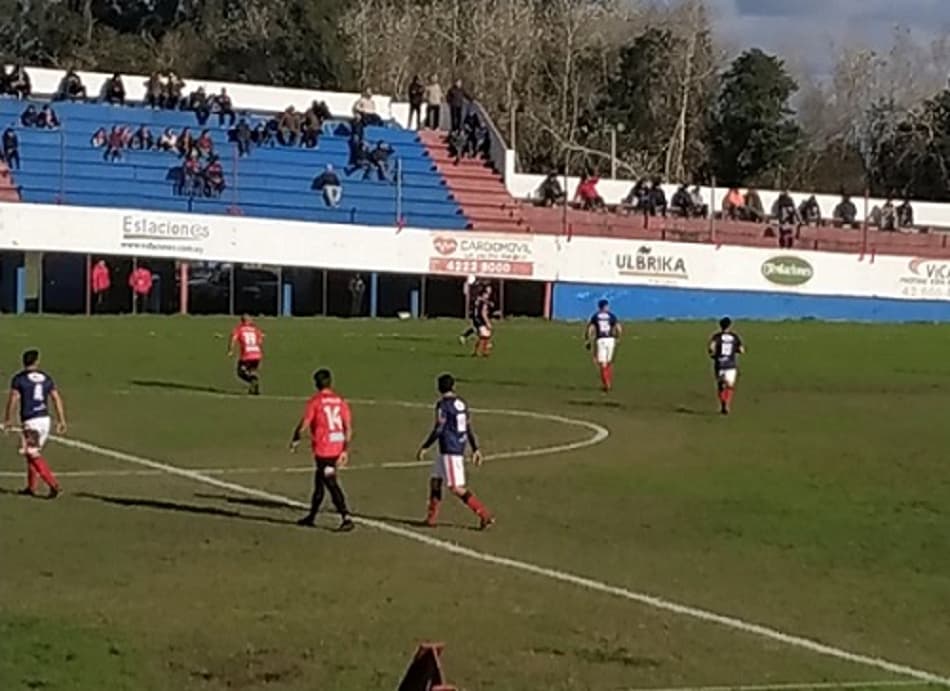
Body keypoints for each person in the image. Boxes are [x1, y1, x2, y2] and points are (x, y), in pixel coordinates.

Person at [416, 373, 493, 529]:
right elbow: (468, 426)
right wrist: (475, 448)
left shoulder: (443, 405)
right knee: (435, 480)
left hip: (450, 449)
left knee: (455, 487)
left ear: (439, 388)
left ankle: (484, 514)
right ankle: (431, 518)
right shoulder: (461, 404)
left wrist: (425, 446)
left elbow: (439, 428)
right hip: (453, 446)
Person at [290, 368, 354, 531]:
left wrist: (296, 437)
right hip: (337, 445)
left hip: (325, 449)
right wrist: (345, 450)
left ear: (317, 384)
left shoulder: (316, 401)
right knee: (319, 482)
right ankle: (312, 516)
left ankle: (346, 516)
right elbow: (348, 428)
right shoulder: (340, 401)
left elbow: (305, 423)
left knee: (330, 483)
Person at [4, 349, 67, 498]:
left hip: (31, 421)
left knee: (32, 453)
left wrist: (8, 419)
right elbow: (56, 398)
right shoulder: (46, 378)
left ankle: (53, 485)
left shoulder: (19, 379)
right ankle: (31, 487)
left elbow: (13, 399)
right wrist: (61, 419)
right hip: (45, 420)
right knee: (32, 453)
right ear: (36, 362)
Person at [708, 317, 745, 415]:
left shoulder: (716, 336)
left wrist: (713, 355)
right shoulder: (734, 336)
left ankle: (723, 403)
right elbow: (741, 350)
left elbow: (711, 348)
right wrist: (735, 350)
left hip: (720, 364)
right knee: (730, 386)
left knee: (720, 385)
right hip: (731, 364)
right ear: (730, 325)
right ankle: (727, 402)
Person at [585, 299, 622, 393]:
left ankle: (606, 384)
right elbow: (618, 327)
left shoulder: (595, 316)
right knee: (609, 362)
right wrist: (618, 337)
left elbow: (590, 328)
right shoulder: (611, 315)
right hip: (611, 339)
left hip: (601, 339)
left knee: (602, 363)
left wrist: (588, 340)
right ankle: (608, 382)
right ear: (606, 306)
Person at [227, 315, 264, 395]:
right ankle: (253, 390)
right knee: (251, 371)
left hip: (247, 355)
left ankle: (252, 380)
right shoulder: (255, 329)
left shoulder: (239, 329)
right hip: (257, 354)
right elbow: (260, 341)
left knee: (240, 372)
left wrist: (230, 350)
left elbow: (233, 338)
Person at [472, 284, 494, 357]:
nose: (489, 294)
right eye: (488, 292)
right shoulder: (483, 301)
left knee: (485, 335)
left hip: (477, 319)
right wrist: (487, 322)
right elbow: (483, 313)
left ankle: (483, 351)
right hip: (480, 319)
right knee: (484, 336)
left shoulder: (480, 299)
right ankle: (480, 351)